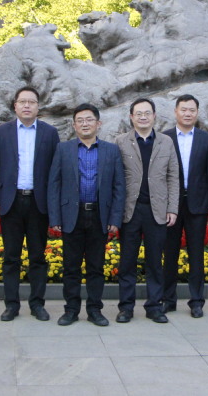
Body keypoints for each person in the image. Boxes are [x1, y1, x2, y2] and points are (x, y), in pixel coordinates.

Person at [48, 103, 126, 326]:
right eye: (80, 120)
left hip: (99, 216)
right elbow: (54, 184)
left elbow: (119, 187)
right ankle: (71, 310)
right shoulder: (63, 149)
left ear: (98, 123)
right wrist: (55, 217)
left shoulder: (111, 150)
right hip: (71, 215)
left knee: (96, 267)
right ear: (74, 125)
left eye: (89, 119)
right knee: (71, 267)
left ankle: (94, 310)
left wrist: (115, 218)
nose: (85, 124)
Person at [0, 86, 59, 322]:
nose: (27, 105)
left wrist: (53, 203)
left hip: (38, 203)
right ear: (15, 105)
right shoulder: (2, 132)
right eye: (23, 102)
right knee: (11, 257)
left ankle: (37, 304)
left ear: (38, 106)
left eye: (32, 102)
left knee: (37, 257)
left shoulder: (50, 133)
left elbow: (55, 172)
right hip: (11, 201)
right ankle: (11, 305)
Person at [115, 98, 179, 323]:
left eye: (147, 113)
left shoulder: (166, 142)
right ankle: (126, 308)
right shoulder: (120, 142)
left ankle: (154, 307)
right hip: (130, 211)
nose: (143, 117)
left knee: (154, 262)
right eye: (138, 113)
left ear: (154, 116)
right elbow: (115, 177)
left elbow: (173, 177)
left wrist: (172, 208)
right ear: (131, 117)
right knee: (127, 262)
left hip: (157, 210)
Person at [162, 94, 208, 318]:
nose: (187, 113)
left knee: (196, 254)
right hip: (171, 205)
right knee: (170, 253)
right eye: (183, 109)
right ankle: (168, 299)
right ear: (176, 112)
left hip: (198, 204)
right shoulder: (164, 138)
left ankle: (196, 301)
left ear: (197, 113)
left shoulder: (207, 139)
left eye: (191, 110)